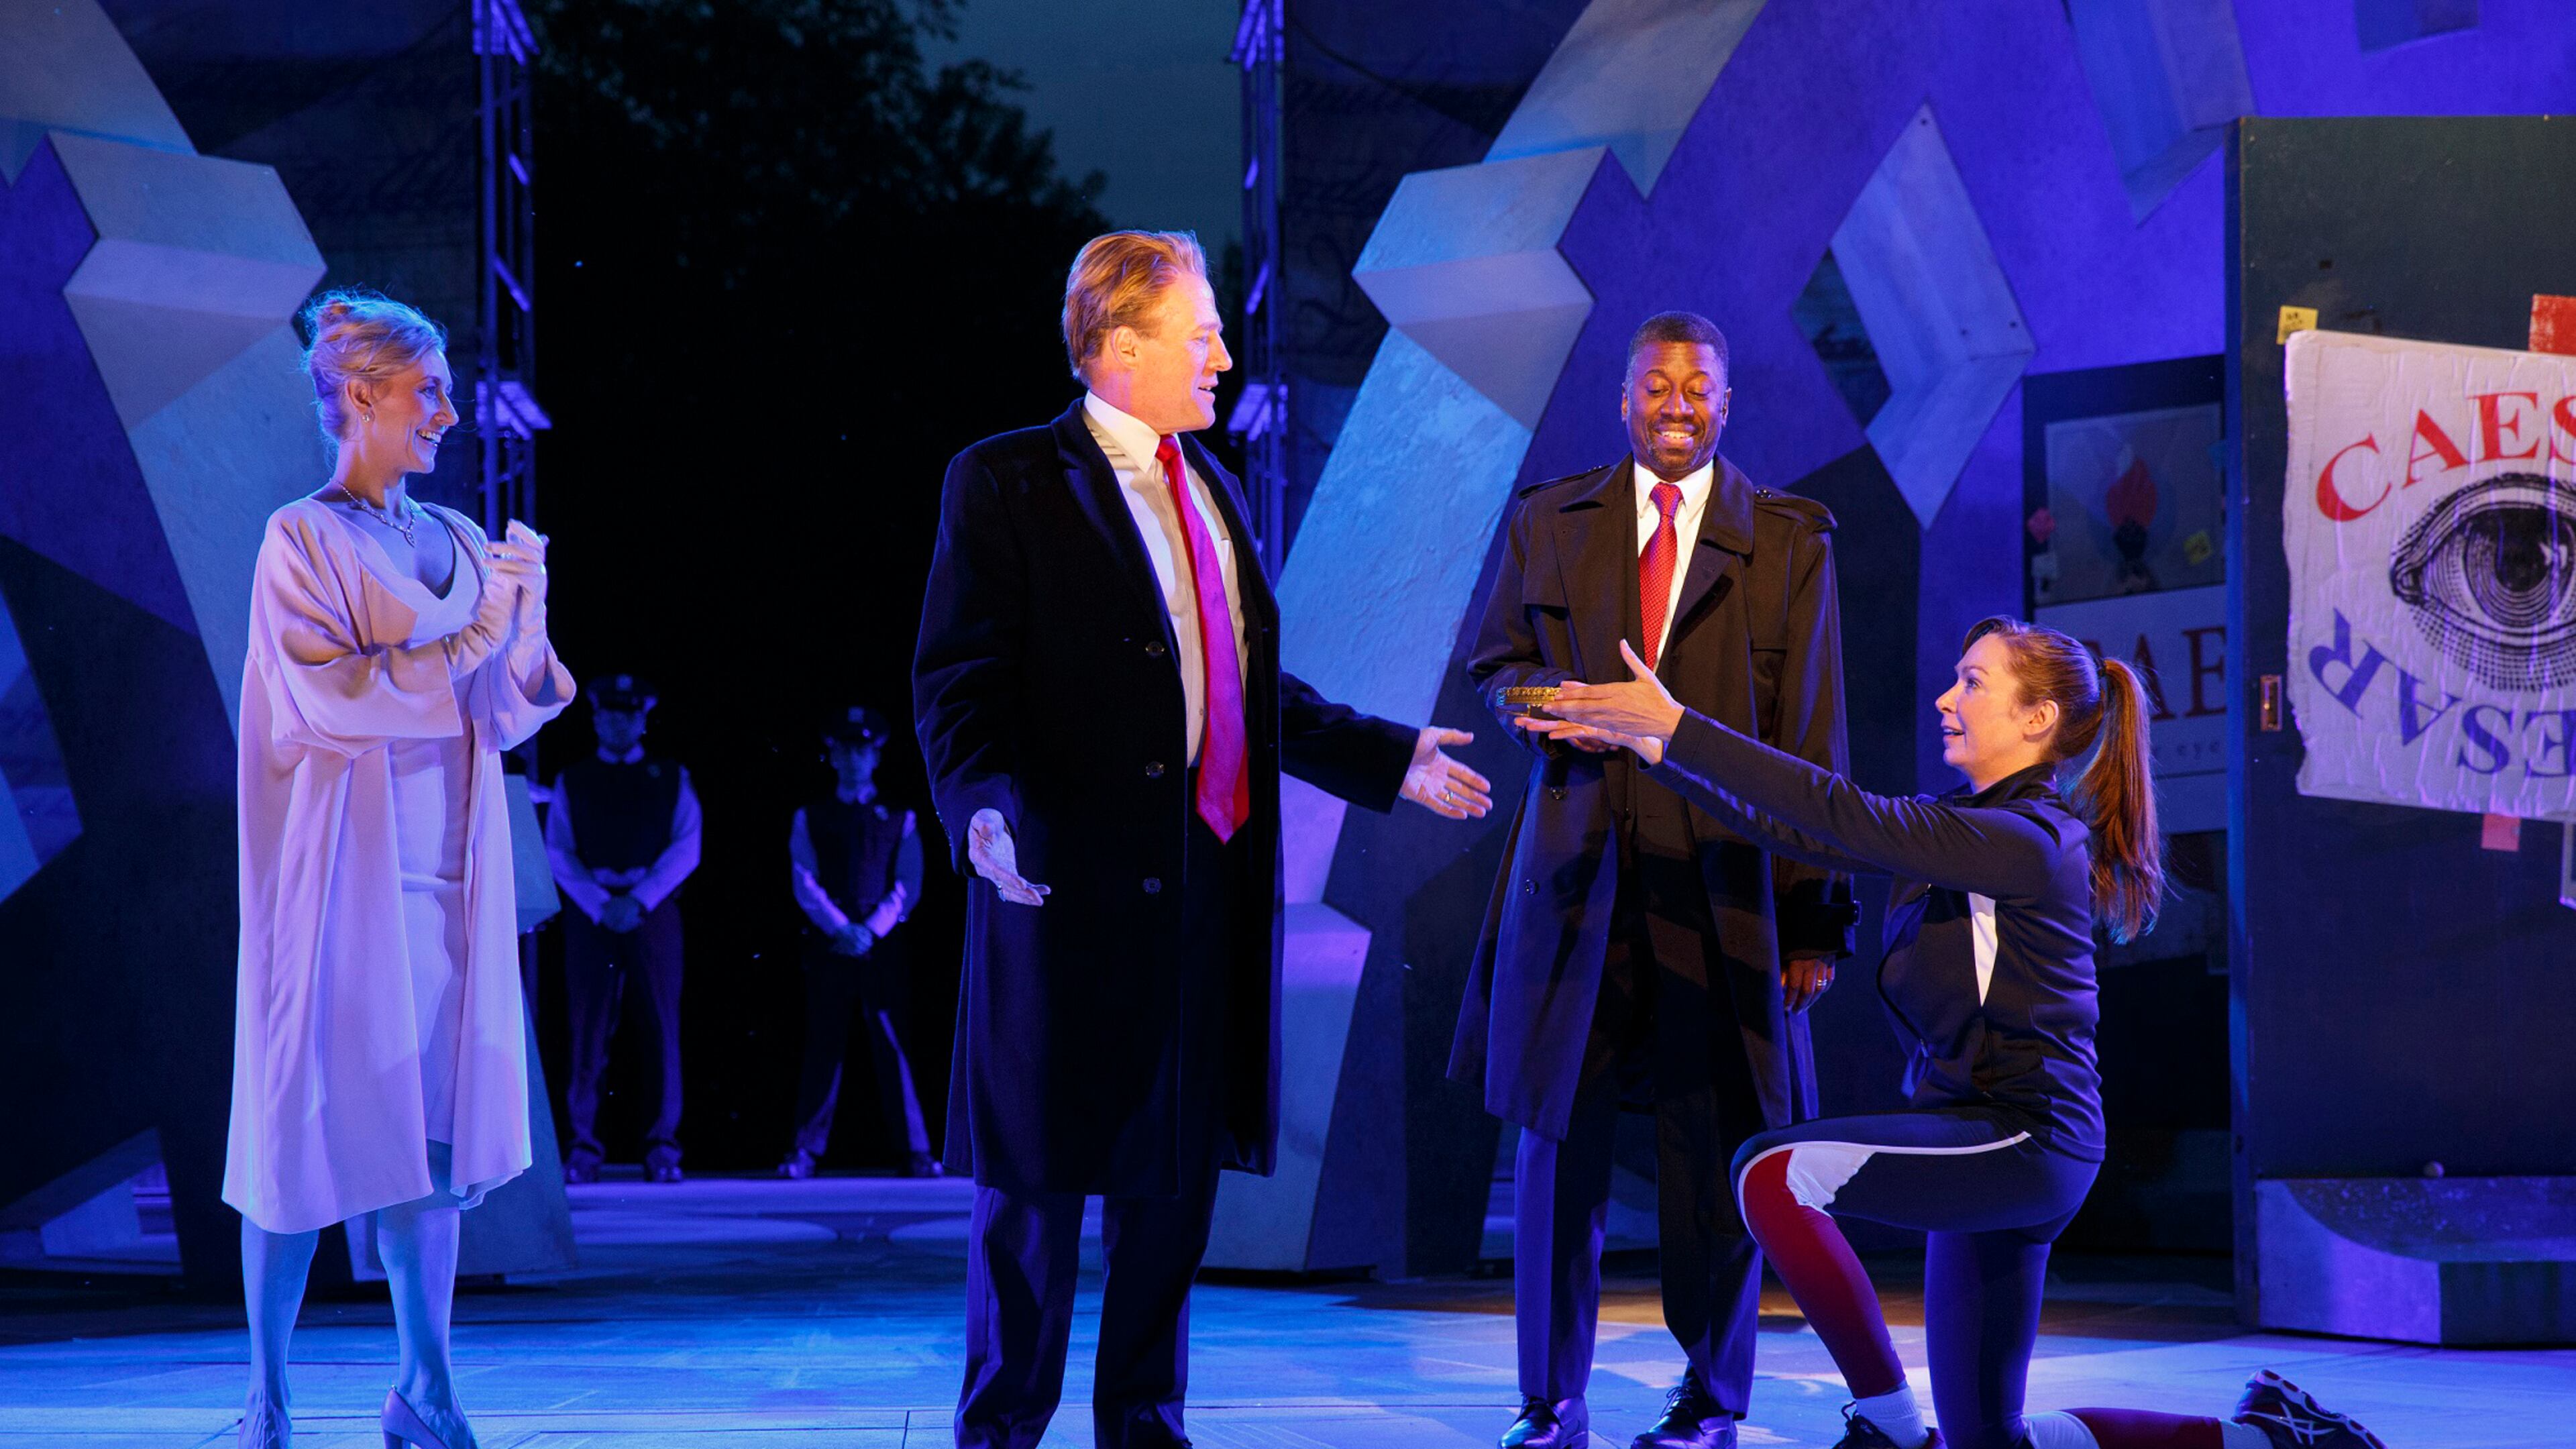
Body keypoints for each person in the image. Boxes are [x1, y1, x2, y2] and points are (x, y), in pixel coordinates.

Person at [913, 229, 1495, 1449]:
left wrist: (1390, 756)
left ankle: (1143, 1423)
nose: (1226, 355)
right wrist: (982, 813)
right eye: (1204, 333)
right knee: (1035, 1196)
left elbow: (1251, 694)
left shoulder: (1215, 491)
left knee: (1170, 1192)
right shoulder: (1006, 479)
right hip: (1058, 896)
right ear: (1121, 346)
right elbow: (962, 685)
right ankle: (1002, 1430)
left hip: (1200, 893)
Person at [1529, 623, 2386, 1449]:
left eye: (1973, 682)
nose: (1946, 697)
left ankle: (1888, 1426)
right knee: (1988, 1439)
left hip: (2022, 1140)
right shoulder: (1978, 829)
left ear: (2036, 719)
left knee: (1772, 1174)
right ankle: (2269, 1436)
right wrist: (1657, 750)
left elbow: (1840, 814)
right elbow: (1804, 827)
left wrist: (1676, 723)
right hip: (1990, 1142)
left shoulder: (2026, 839)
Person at [1451, 311, 1857, 1449]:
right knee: (1555, 1142)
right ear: (1621, 399)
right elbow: (1498, 670)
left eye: (1699, 386)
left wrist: (1815, 919)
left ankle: (1711, 1393)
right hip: (1578, 876)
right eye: (1654, 384)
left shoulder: (1788, 540)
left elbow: (1816, 740)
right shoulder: (1550, 520)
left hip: (1721, 883)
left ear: (1728, 403)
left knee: (1712, 1141)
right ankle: (1548, 1396)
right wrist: (1555, 710)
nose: (1676, 404)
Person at [226, 290, 572, 1449]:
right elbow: (330, 697)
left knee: (432, 1148)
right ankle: (269, 1401)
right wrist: (468, 638)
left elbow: (498, 712)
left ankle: (427, 1391)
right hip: (338, 880)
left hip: (447, 876)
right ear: (362, 396)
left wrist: (520, 627)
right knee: (301, 1126)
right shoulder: (303, 538)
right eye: (429, 389)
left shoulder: (460, 537)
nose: (449, 409)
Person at [545, 676, 700, 1183]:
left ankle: (662, 1151)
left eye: (629, 714)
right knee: (588, 1033)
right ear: (595, 718)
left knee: (661, 1031)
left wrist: (639, 899)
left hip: (650, 913)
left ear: (642, 719)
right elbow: (559, 850)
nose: (619, 722)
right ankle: (584, 1151)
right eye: (611, 714)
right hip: (594, 916)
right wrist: (598, 903)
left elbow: (686, 846)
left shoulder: (670, 776)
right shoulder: (575, 779)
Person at [780, 705, 936, 1179]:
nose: (853, 759)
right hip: (832, 945)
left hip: (880, 946)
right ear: (833, 755)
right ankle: (805, 1152)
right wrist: (840, 928)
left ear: (875, 756)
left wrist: (872, 929)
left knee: (893, 1044)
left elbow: (909, 881)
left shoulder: (900, 816)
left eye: (862, 750)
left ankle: (916, 1151)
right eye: (845, 750)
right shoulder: (812, 815)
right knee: (824, 1044)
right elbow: (804, 878)